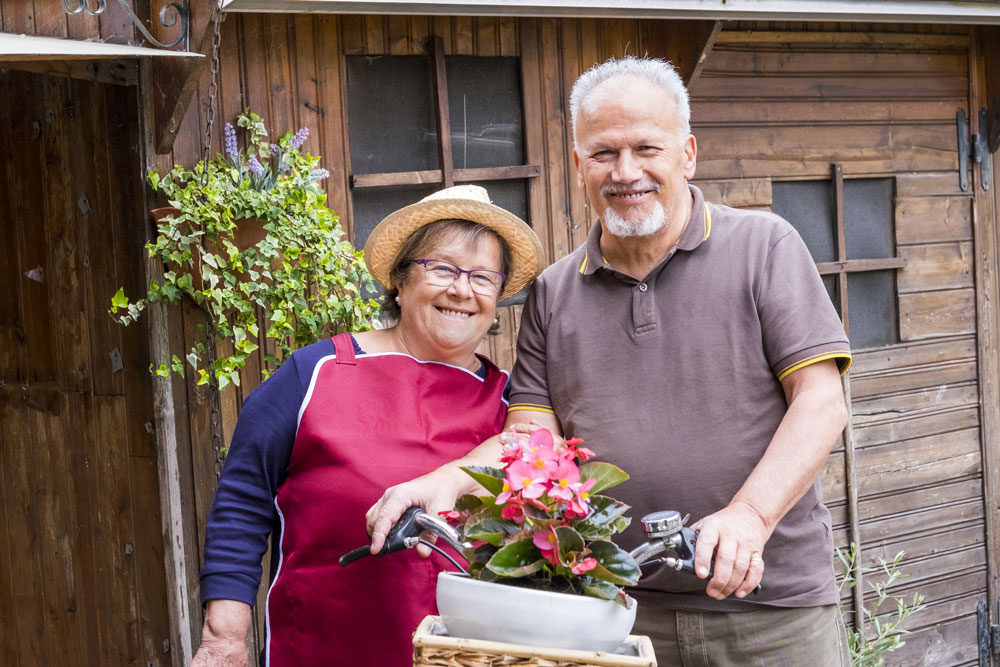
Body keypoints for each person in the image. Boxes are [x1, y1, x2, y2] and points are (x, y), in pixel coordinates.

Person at [367, 57, 853, 666]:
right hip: (611, 610)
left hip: (769, 607)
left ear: (688, 154)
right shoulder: (554, 291)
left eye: (646, 148)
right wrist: (441, 483)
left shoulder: (765, 247)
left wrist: (751, 516)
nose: (625, 172)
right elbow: (530, 444)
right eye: (603, 154)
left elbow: (822, 400)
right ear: (578, 167)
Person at [191, 184, 543, 667]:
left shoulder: (513, 403)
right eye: (441, 268)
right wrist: (223, 637)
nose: (462, 290)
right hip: (320, 648)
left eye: (482, 277)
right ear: (399, 280)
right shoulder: (313, 373)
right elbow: (243, 502)